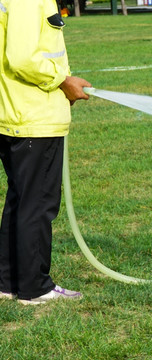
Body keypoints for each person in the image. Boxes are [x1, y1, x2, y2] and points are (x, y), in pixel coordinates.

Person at [0, 0, 91, 305]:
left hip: (17, 115)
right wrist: (63, 82)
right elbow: (22, 58)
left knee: (20, 201)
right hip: (33, 118)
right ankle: (35, 288)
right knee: (37, 205)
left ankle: (9, 282)